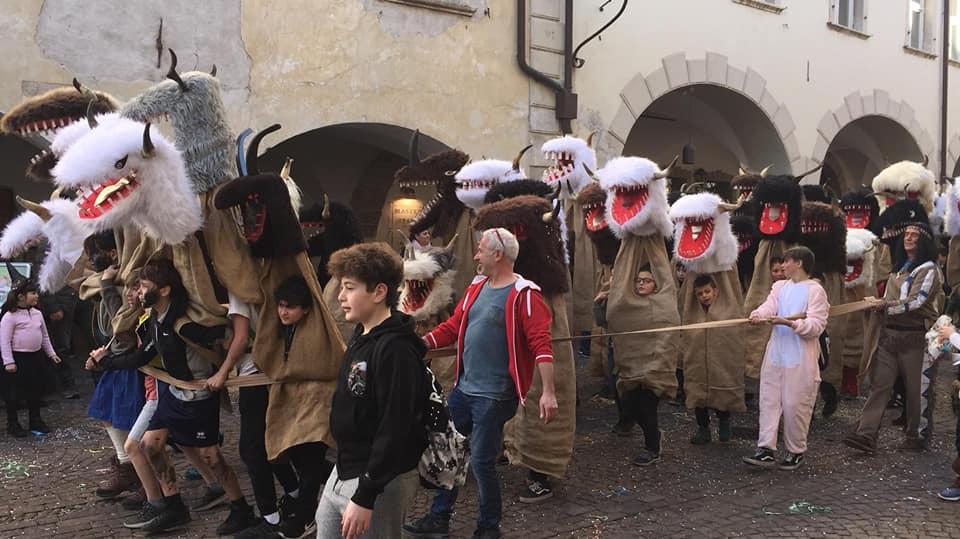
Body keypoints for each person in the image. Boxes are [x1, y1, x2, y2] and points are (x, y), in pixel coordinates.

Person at [405, 227, 558, 539]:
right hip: (464, 389)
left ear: (497, 255)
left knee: (481, 461)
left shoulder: (526, 295)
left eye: (480, 250)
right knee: (450, 450)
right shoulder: (476, 286)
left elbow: (542, 345)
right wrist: (422, 344)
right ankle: (439, 519)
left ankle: (489, 527)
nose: (475, 255)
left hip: (494, 396)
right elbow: (454, 325)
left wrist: (549, 393)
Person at [89, 259, 254, 535]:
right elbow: (142, 356)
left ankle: (240, 508)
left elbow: (228, 335)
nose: (138, 292)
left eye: (143, 286)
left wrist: (222, 372)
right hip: (175, 393)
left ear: (164, 290)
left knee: (212, 456)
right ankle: (174, 506)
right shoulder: (155, 318)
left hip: (200, 396)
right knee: (149, 445)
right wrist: (105, 361)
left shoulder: (185, 324)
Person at [316, 243, 428, 539]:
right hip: (344, 468)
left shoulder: (397, 350)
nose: (341, 296)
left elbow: (395, 426)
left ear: (379, 292)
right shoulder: (361, 333)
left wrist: (366, 495)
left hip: (378, 481)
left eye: (350, 288)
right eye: (342, 287)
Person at [844, 223, 944, 454]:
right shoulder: (899, 268)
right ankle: (865, 434)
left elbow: (917, 301)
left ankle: (916, 436)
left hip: (917, 338)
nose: (908, 238)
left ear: (925, 241)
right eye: (907, 235)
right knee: (880, 385)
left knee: (917, 388)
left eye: (915, 235)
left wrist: (883, 306)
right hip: (889, 336)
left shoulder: (929, 270)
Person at [743, 247, 829, 471]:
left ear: (799, 263)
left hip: (800, 358)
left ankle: (795, 450)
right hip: (776, 354)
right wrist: (758, 315)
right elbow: (769, 306)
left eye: (787, 261)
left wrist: (791, 323)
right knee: (769, 401)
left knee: (795, 405)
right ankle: (765, 449)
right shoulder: (780, 287)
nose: (783, 266)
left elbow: (816, 326)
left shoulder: (815, 290)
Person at [228, 286, 303, 539]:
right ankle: (295, 495)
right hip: (271, 376)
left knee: (253, 450)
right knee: (271, 445)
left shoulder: (239, 290)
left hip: (256, 379)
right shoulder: (266, 284)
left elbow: (240, 339)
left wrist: (222, 372)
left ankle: (272, 517)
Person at [0, 279, 61, 437]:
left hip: (35, 357)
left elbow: (45, 336)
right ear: (21, 296)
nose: (37, 296)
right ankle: (13, 423)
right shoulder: (9, 316)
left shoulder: (37, 314)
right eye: (33, 293)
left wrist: (51, 354)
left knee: (35, 390)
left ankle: (35, 419)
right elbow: (4, 341)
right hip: (17, 359)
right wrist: (8, 361)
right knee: (13, 393)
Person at [687, 275, 738, 445]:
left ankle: (724, 422)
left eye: (708, 291)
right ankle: (703, 429)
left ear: (716, 291)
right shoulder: (693, 314)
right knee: (698, 397)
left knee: (721, 391)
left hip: (719, 362)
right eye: (700, 294)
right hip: (699, 363)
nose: (705, 296)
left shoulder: (726, 312)